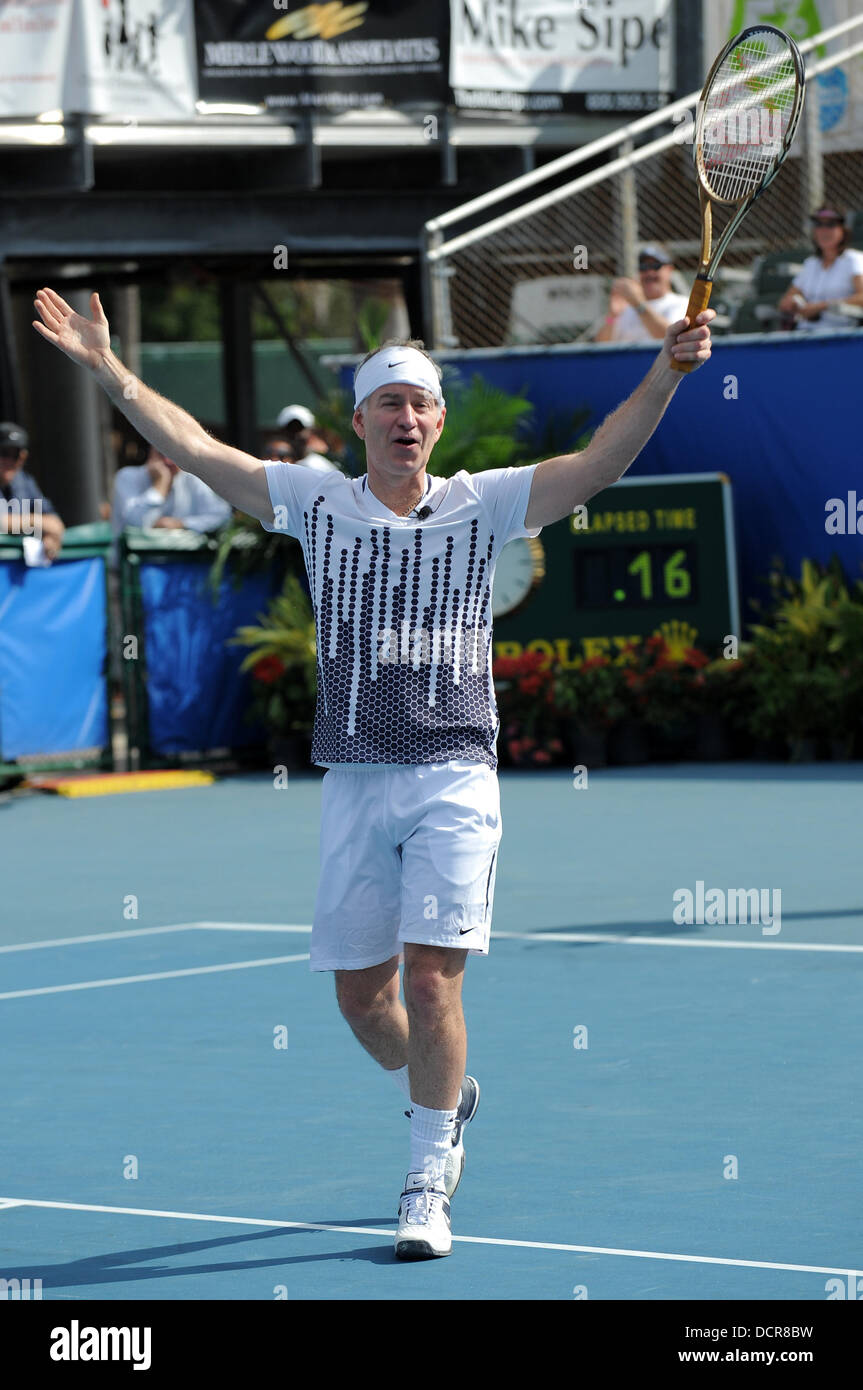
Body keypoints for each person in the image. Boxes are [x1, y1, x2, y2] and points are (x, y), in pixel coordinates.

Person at [32, 284, 713, 1260]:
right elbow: (194, 448)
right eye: (386, 403)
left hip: (451, 775)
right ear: (357, 423)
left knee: (434, 982)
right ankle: (447, 1095)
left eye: (419, 404)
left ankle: (424, 1174)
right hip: (352, 780)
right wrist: (108, 371)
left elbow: (597, 463)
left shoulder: (486, 504)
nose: (405, 417)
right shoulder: (313, 500)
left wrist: (664, 369)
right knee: (364, 1001)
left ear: (438, 422)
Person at [111, 443, 232, 533]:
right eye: (161, 454)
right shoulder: (127, 476)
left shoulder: (192, 479)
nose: (168, 461)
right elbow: (135, 524)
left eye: (174, 455)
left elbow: (222, 516)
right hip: (132, 564)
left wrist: (182, 524)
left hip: (180, 562)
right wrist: (160, 485)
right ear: (150, 452)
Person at [777, 205, 863, 332]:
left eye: (830, 224)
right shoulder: (810, 264)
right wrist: (792, 304)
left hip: (841, 333)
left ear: (843, 230)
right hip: (804, 333)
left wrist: (821, 306)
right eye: (818, 224)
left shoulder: (854, 260)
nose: (824, 230)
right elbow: (785, 301)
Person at [595, 245, 689, 343]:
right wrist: (612, 316)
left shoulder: (681, 303)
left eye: (655, 266)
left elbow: (673, 339)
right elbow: (600, 343)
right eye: (643, 267)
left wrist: (639, 305)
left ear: (669, 269)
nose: (649, 273)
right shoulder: (626, 308)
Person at [0, 421, 66, 559]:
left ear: (22, 458)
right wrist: (35, 523)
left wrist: (48, 536)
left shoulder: (23, 480)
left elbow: (55, 523)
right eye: (3, 453)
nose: (8, 461)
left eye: (15, 455)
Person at [276, 404, 340, 473]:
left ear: (310, 431)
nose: (296, 436)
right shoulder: (274, 466)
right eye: (290, 430)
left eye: (299, 429)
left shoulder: (319, 467)